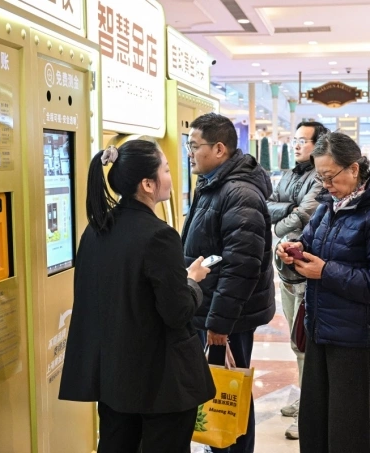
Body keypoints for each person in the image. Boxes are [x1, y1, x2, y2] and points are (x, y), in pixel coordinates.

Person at [59, 141, 215, 453]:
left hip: (115, 378)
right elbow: (176, 311)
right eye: (167, 170)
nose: (171, 177)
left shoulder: (95, 230)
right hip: (161, 383)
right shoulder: (159, 235)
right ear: (147, 183)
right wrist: (192, 282)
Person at [277, 132, 370, 453]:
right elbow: (310, 248)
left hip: (355, 338)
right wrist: (294, 254)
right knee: (317, 426)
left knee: (351, 433)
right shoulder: (328, 207)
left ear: (353, 168)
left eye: (329, 176)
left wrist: (325, 271)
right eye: (320, 177)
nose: (325, 184)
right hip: (321, 330)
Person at [181, 113, 275, 453]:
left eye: (194, 146)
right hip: (215, 310)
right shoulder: (213, 185)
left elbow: (242, 267)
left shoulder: (238, 194)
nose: (189, 153)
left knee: (228, 394)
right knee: (220, 391)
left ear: (219, 149)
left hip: (228, 316)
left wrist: (219, 324)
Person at [267, 121, 328, 440]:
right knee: (295, 342)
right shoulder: (290, 175)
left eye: (303, 140)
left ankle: (310, 411)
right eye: (295, 140)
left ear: (318, 144)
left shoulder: (321, 177)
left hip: (307, 270)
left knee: (307, 344)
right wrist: (285, 212)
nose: (296, 145)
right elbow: (269, 205)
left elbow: (302, 217)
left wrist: (282, 221)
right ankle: (306, 398)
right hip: (285, 270)